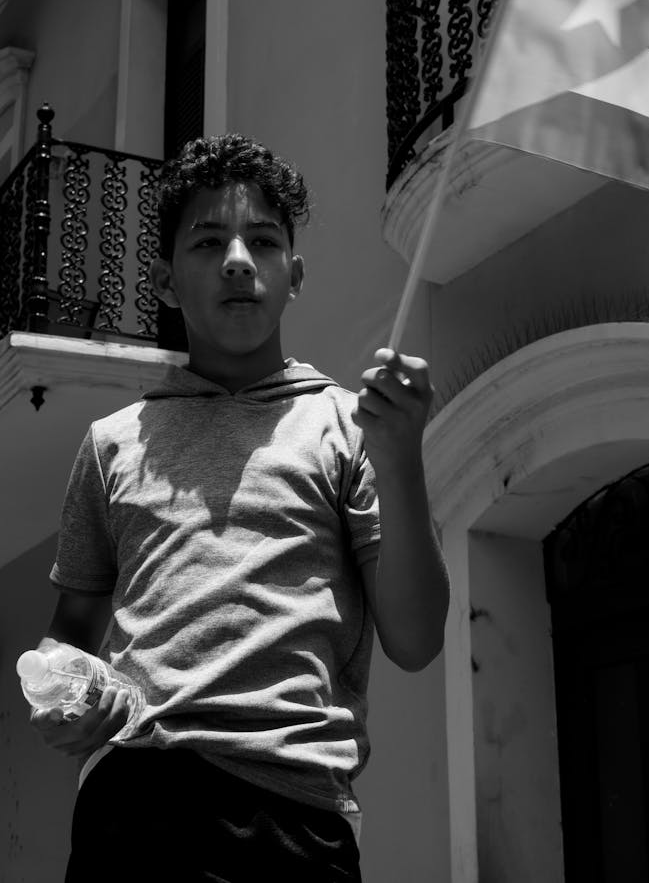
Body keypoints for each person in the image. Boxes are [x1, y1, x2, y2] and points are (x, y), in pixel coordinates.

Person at [30, 134, 449, 883]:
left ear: (295, 274)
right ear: (163, 279)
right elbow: (70, 633)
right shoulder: (110, 444)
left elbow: (416, 639)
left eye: (263, 240)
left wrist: (402, 459)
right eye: (208, 240)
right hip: (130, 809)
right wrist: (61, 691)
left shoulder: (352, 428)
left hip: (291, 818)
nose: (237, 259)